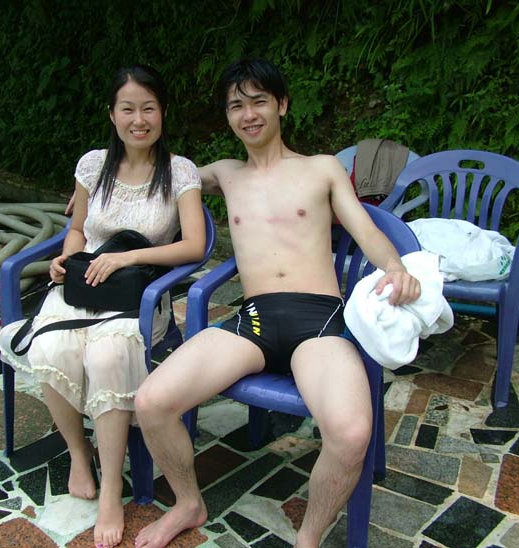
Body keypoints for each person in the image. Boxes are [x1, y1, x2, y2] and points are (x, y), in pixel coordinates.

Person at [133, 58, 421, 548]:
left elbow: (365, 229)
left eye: (259, 101)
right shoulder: (225, 174)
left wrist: (394, 266)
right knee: (151, 402)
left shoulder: (321, 168)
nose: (248, 114)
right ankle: (187, 504)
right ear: (227, 116)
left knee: (352, 433)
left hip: (318, 323)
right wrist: (93, 191)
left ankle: (308, 537)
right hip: (254, 321)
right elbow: (155, 174)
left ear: (282, 105)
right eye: (236, 106)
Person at [0, 65, 205, 548]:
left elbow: (195, 245)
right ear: (112, 115)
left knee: (108, 356)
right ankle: (78, 451)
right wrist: (66, 258)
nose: (139, 120)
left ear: (163, 112)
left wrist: (127, 257)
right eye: (128, 109)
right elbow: (77, 229)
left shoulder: (180, 171)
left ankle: (112, 486)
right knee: (50, 349)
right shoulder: (93, 166)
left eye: (148, 108)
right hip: (82, 288)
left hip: (137, 295)